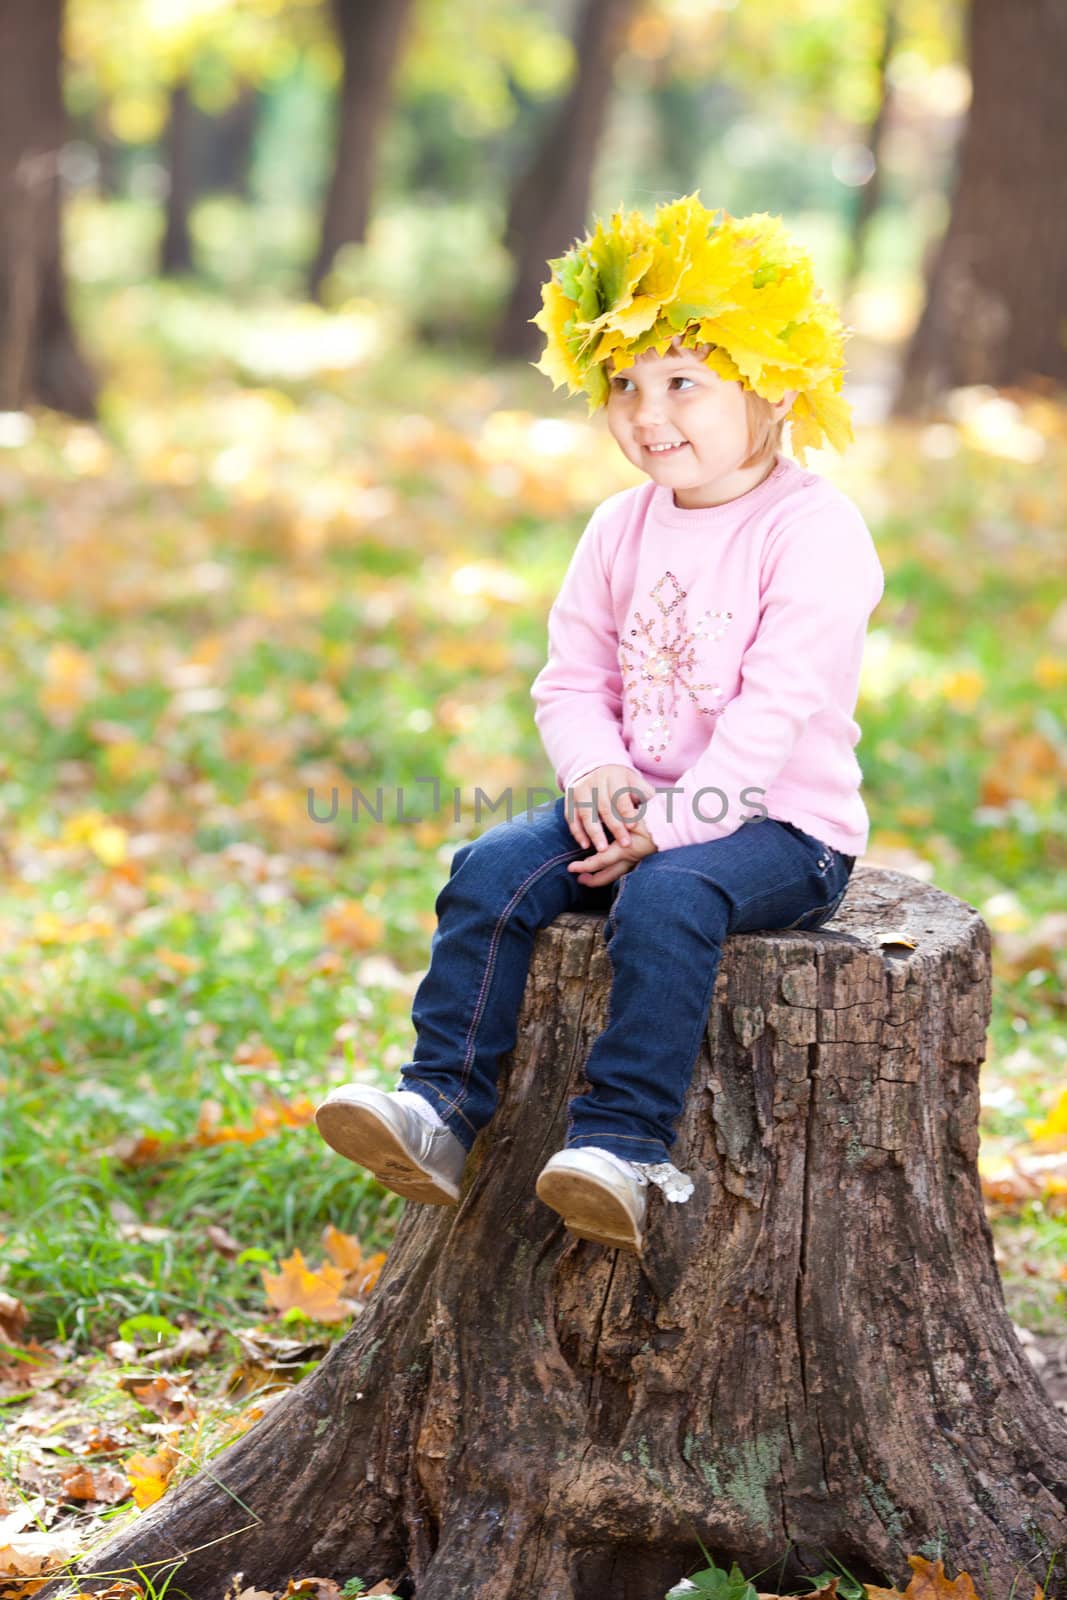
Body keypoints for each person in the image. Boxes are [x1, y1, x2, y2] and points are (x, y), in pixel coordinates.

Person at [315, 193, 884, 1254]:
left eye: (683, 384)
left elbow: (773, 712)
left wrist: (668, 826)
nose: (645, 411)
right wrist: (596, 773)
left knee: (665, 901)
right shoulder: (616, 525)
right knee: (489, 866)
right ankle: (438, 1107)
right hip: (631, 797)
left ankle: (619, 1145)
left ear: (770, 386)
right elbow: (569, 677)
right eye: (622, 383)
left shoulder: (815, 533)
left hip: (777, 828)